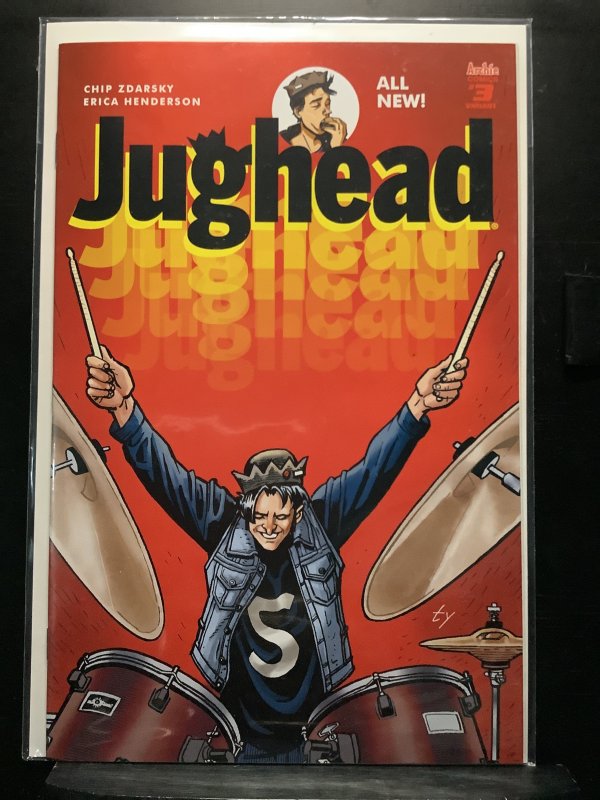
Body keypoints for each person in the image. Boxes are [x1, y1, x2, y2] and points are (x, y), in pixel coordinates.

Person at [85, 348, 468, 763]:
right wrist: (124, 410)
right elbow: (168, 478)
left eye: (280, 517)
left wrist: (418, 406)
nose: (268, 527)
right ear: (244, 510)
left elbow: (373, 470)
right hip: (236, 729)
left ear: (298, 513)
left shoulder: (322, 523)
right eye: (258, 516)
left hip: (317, 728)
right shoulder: (222, 524)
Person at [280, 70, 347, 152]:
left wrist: (337, 147)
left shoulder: (337, 139)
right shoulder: (282, 139)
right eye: (316, 105)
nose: (328, 111)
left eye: (327, 103)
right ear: (298, 112)